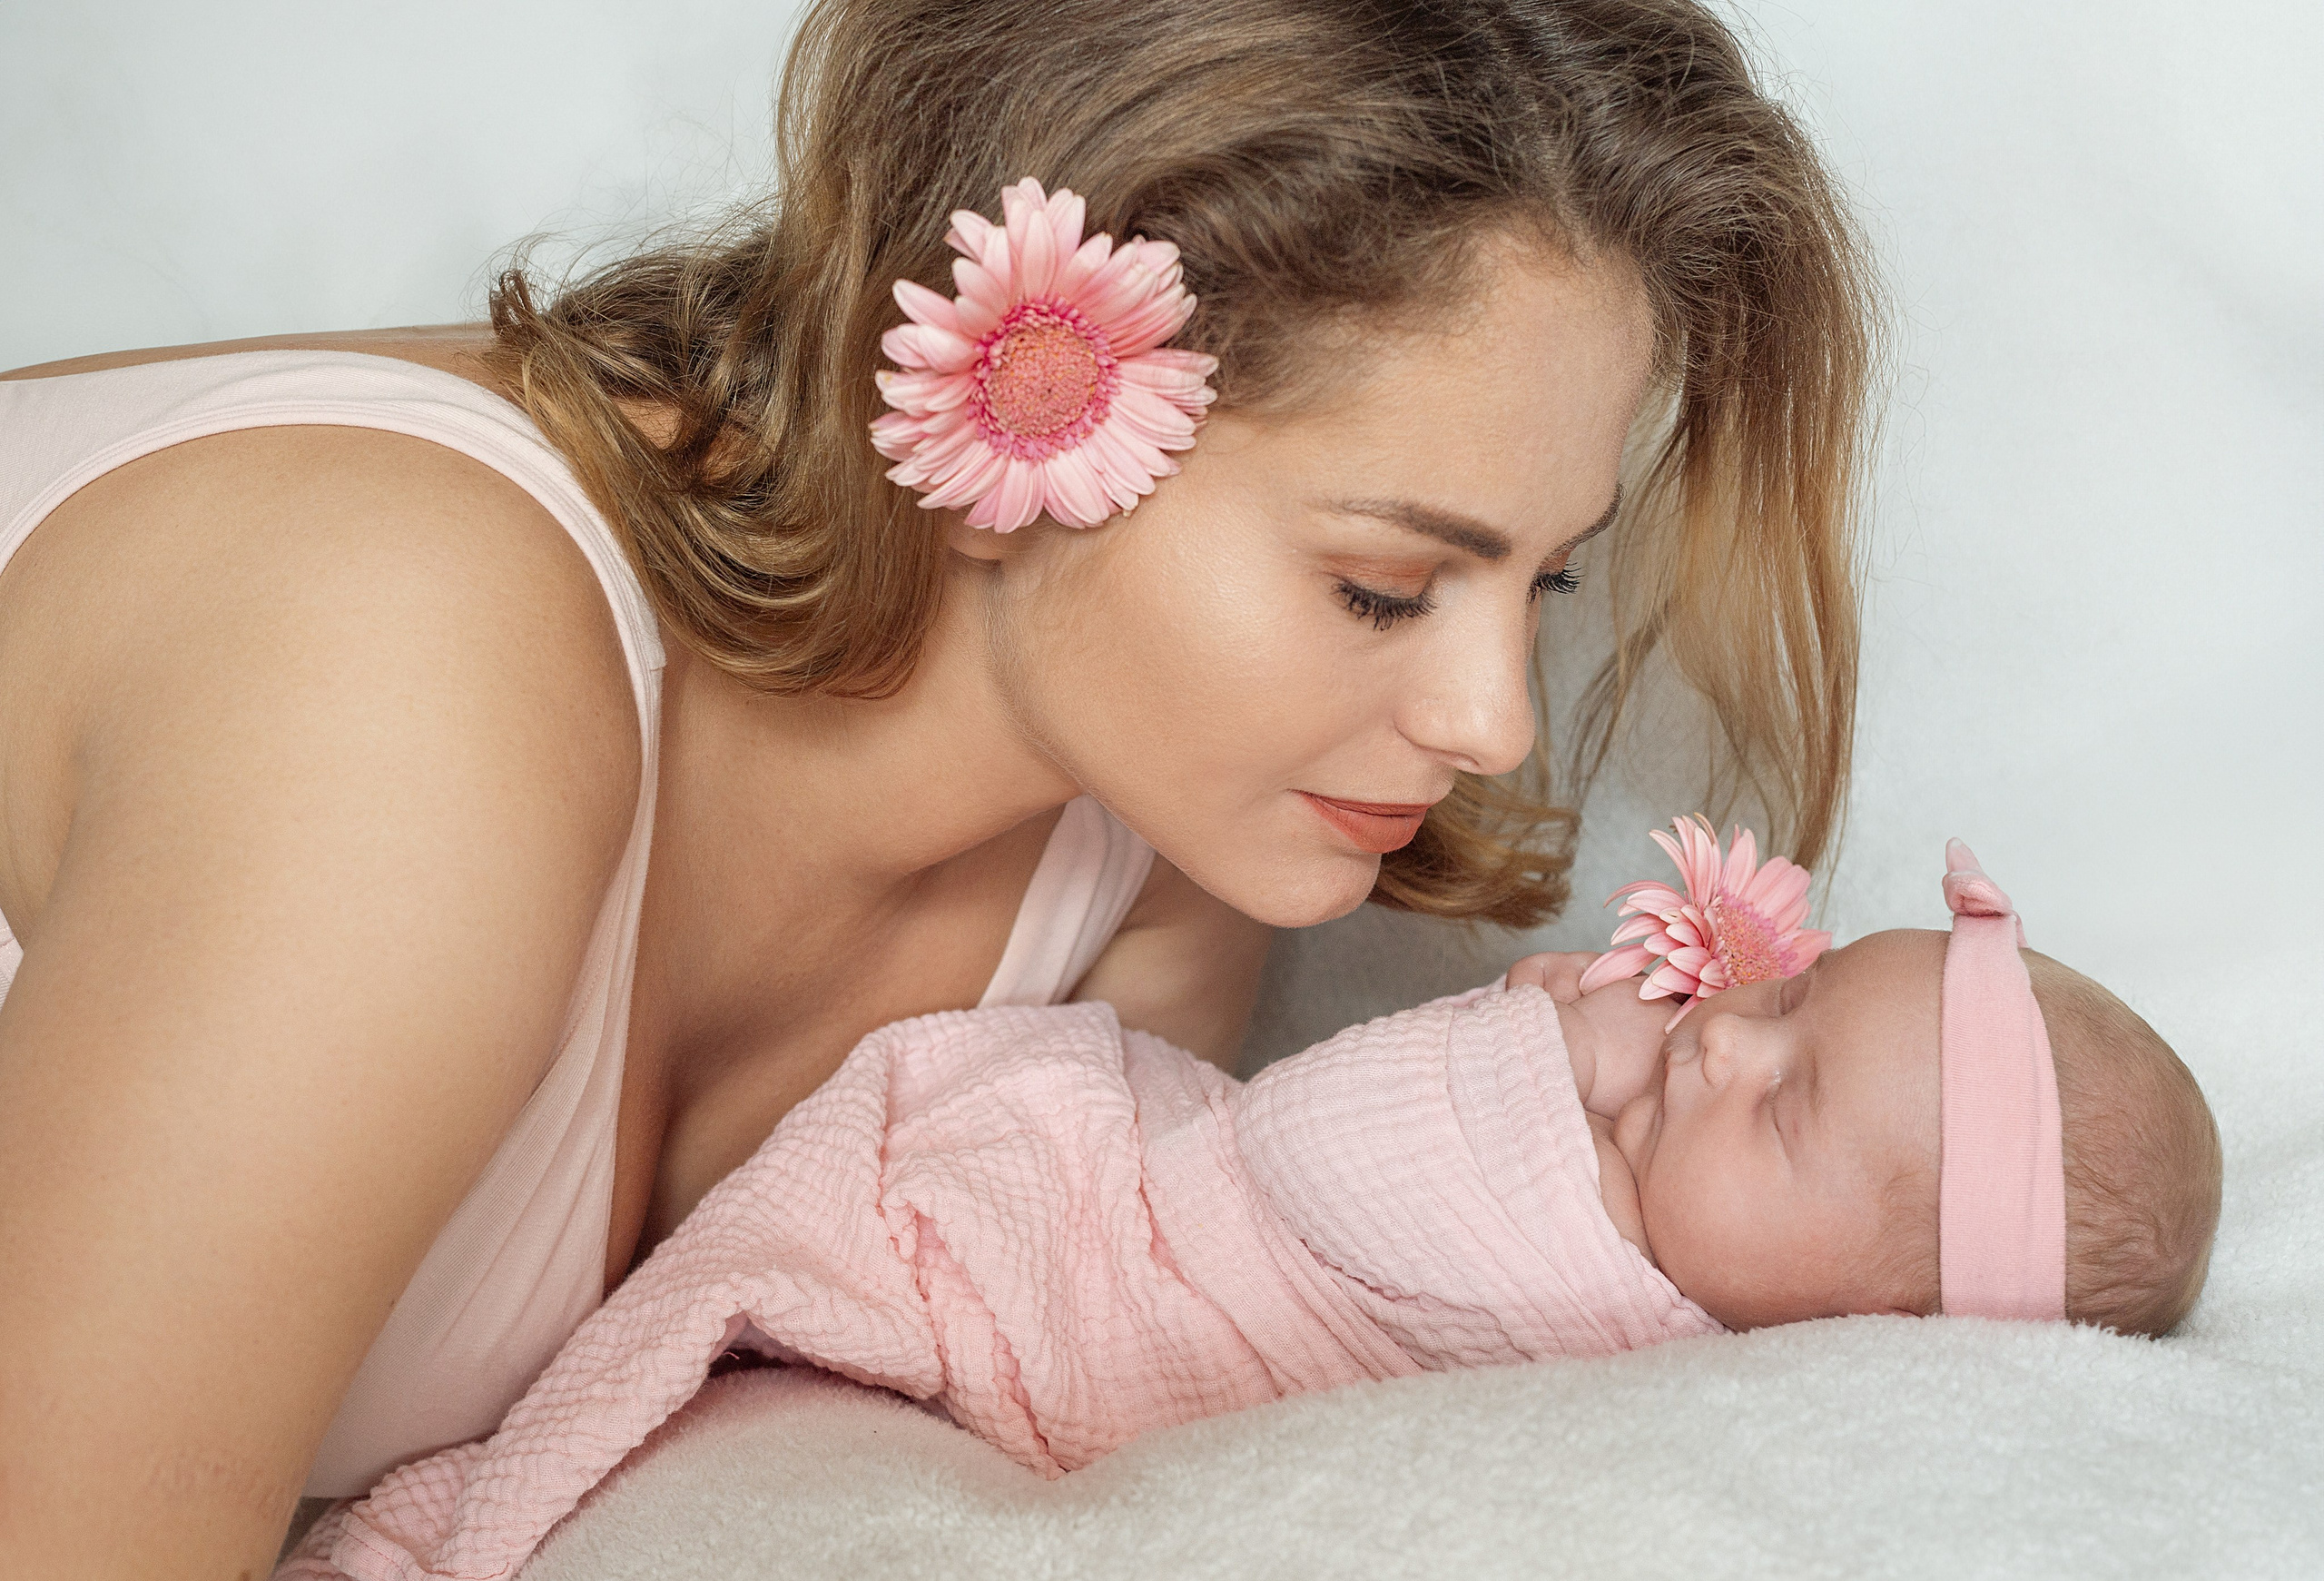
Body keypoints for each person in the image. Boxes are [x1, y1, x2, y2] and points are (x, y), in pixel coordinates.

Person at [0, 2, 1877, 1575]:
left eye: (1544, 584)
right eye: (1381, 586)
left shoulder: (1159, 848)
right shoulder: (405, 675)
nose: (1492, 723)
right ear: (1016, 399)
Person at [271, 834, 2221, 1581]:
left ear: (1869, 1323)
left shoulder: (1627, 1321)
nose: (1717, 1043)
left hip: (1089, 1322)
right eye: (1783, 1003)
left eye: (1782, 1105)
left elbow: (1341, 1159)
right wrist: (1574, 1029)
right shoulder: (1670, 1163)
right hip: (1117, 1202)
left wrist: (1538, 1052)